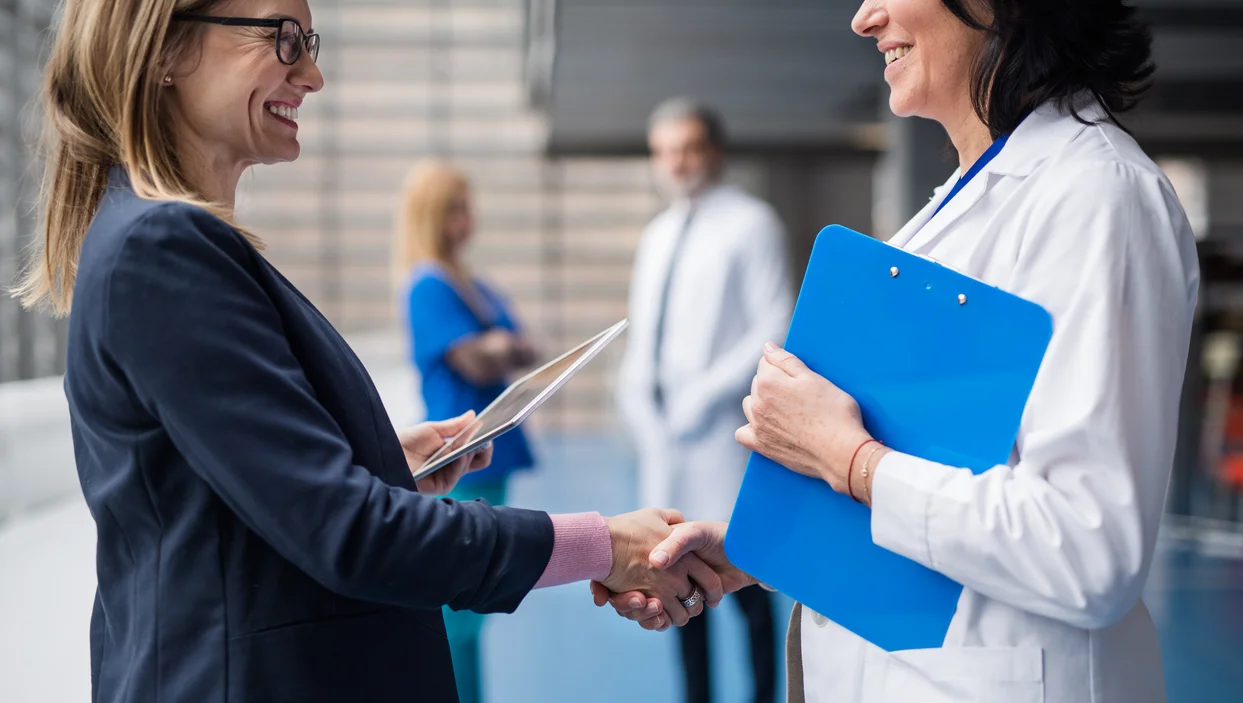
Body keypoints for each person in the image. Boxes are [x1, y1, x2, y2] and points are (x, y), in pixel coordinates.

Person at [11, 1, 730, 701]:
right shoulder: (163, 251)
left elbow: (231, 503)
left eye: (312, 42)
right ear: (164, 47)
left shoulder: (155, 243)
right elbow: (349, 534)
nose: (313, 76)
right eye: (284, 38)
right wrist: (604, 543)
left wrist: (375, 464)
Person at [599, 1, 1201, 702]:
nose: (863, 17)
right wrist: (756, 551)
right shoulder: (962, 200)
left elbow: (1087, 548)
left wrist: (848, 459)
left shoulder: (1099, 197)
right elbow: (947, 469)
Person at [616, 97, 794, 703]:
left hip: (724, 435)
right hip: (666, 440)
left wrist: (706, 392)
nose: (677, 162)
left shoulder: (751, 223)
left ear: (713, 151)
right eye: (665, 151)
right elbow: (644, 329)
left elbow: (774, 319)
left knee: (743, 580)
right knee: (674, 581)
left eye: (688, 148)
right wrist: (637, 396)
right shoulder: (658, 234)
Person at [395, 160, 539, 703]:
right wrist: (500, 346)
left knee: (474, 610)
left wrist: (499, 346)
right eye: (456, 208)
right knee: (459, 610)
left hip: (490, 456)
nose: (468, 219)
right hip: (457, 459)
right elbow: (482, 361)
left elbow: (518, 346)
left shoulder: (468, 284)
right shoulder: (427, 286)